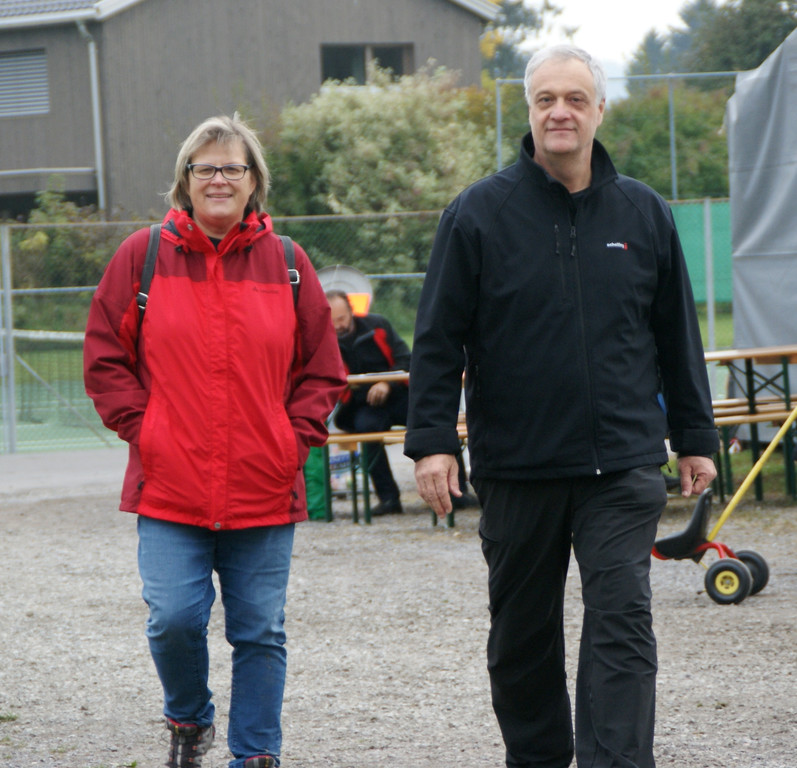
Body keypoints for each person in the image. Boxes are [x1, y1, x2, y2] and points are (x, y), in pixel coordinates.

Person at [404, 46, 718, 768]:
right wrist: (431, 442)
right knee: (521, 636)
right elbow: (437, 338)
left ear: (599, 110)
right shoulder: (478, 214)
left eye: (575, 98)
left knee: (621, 621)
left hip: (622, 465)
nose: (560, 111)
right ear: (528, 111)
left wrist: (694, 435)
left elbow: (676, 335)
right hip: (518, 465)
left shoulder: (643, 212)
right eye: (546, 98)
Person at [84, 114, 346, 768]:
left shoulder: (288, 263)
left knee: (260, 632)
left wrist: (291, 440)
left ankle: (254, 755)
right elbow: (104, 358)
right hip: (170, 486)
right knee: (172, 619)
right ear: (186, 181)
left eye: (233, 167)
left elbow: (322, 368)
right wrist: (147, 432)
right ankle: (188, 718)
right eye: (207, 168)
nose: (220, 178)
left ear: (254, 181)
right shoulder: (141, 257)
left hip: (263, 485)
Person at [326, 289, 475, 516]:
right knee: (367, 430)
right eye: (332, 321)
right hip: (362, 404)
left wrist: (386, 383)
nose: (337, 326)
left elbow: (406, 359)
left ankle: (458, 492)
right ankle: (388, 499)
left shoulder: (378, 325)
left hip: (397, 395)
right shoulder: (326, 340)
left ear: (351, 311)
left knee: (435, 419)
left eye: (341, 319)